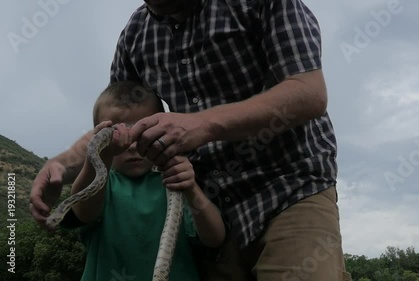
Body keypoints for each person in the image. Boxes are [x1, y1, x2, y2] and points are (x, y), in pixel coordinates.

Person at [31, 1, 351, 280]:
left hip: (288, 190)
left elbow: (308, 91)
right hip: (208, 208)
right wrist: (60, 164)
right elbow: (114, 128)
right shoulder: (135, 35)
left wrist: (202, 124)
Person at [59, 81, 226, 281]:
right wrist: (102, 155)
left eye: (143, 133)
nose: (132, 146)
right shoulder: (104, 185)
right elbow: (83, 210)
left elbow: (215, 238)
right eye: (118, 135)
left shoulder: (173, 179)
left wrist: (191, 188)